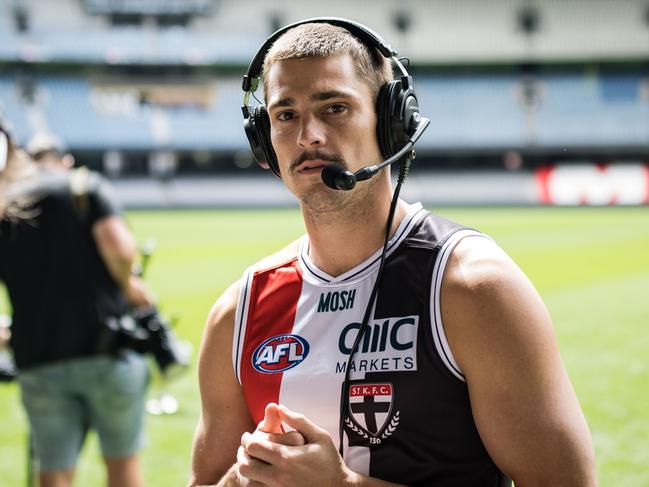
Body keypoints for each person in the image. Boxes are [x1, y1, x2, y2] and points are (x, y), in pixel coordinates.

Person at [188, 19, 597, 487]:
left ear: (392, 122)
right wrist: (243, 480)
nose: (308, 136)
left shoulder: (472, 287)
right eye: (285, 115)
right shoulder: (238, 311)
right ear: (263, 141)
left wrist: (342, 485)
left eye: (335, 107)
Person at [0, 122, 154, 487]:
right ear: (63, 161)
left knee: (53, 470)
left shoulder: (7, 207)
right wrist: (129, 285)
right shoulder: (85, 188)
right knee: (122, 464)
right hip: (106, 348)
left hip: (38, 355)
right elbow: (118, 249)